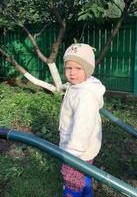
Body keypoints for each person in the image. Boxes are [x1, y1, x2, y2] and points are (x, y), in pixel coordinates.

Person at [59, 43, 106, 197]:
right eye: (68, 68)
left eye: (78, 68)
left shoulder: (84, 96)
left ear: (87, 69)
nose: (72, 73)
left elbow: (82, 127)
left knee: (72, 179)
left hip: (77, 150)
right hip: (86, 148)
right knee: (84, 174)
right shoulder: (78, 86)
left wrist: (72, 155)